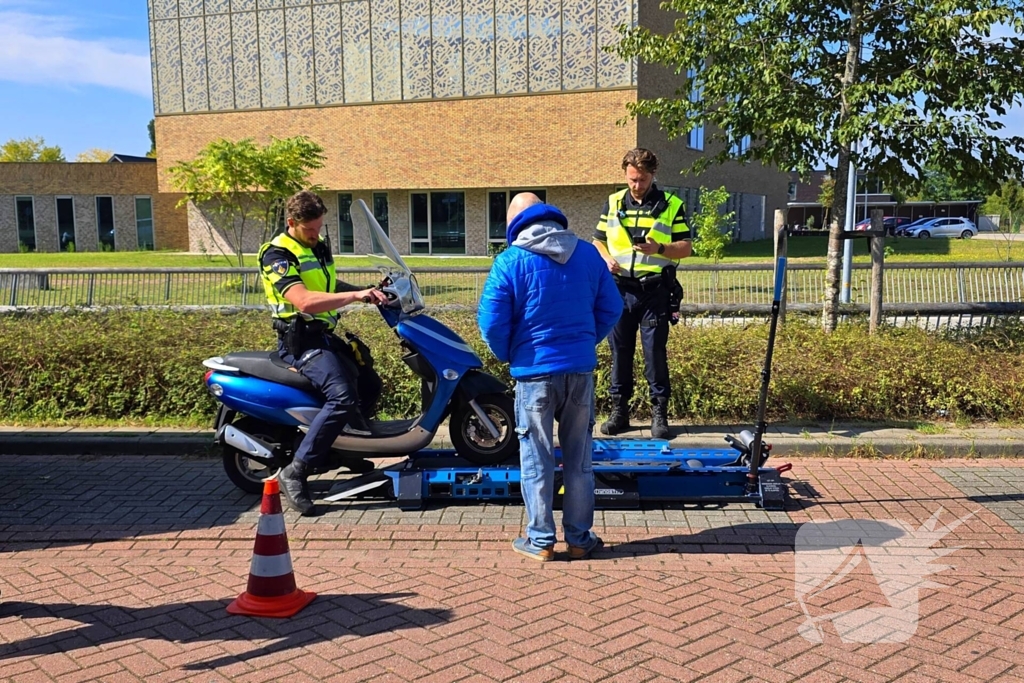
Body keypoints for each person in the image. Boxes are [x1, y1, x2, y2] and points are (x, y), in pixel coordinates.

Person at [478, 193, 622, 561]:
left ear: (515, 224)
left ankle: (540, 541)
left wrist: (511, 353)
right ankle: (579, 538)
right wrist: (585, 342)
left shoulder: (509, 261)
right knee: (579, 460)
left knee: (536, 458)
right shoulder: (589, 254)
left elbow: (491, 323)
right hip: (579, 372)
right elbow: (612, 308)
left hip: (533, 374)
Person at [259, 190, 389, 515]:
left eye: (319, 228)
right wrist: (356, 297)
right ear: (292, 223)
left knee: (370, 383)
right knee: (342, 397)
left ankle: (343, 448)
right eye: (310, 230)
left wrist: (370, 290)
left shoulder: (316, 245)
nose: (316, 235)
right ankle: (296, 470)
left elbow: (328, 286)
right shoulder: (277, 255)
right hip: (300, 342)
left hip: (323, 335)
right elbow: (303, 300)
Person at [593, 148, 691, 440]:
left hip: (654, 291)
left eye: (643, 179)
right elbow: (597, 240)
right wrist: (605, 258)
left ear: (653, 175)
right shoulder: (612, 203)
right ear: (625, 174)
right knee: (619, 353)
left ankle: (659, 415)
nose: (637, 185)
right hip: (619, 290)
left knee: (654, 354)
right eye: (632, 179)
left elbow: (686, 247)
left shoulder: (671, 204)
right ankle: (619, 412)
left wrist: (659, 248)